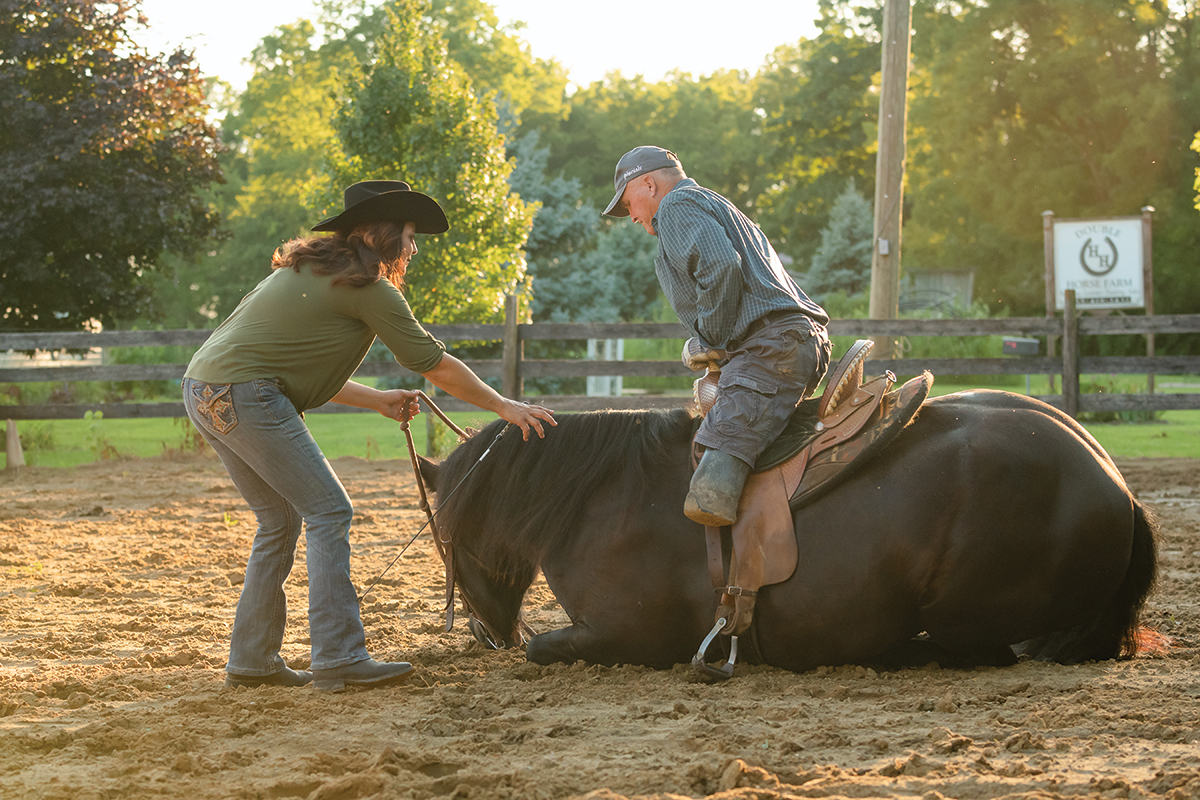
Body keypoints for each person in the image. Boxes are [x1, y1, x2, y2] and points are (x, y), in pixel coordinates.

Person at [183, 180, 556, 692]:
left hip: (205, 390)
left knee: (280, 520)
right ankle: (337, 657)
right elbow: (433, 364)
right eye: (408, 234)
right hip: (247, 394)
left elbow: (288, 364)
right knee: (329, 511)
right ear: (381, 235)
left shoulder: (310, 271)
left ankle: (253, 661)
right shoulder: (369, 289)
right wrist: (504, 406)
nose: (414, 247)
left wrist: (377, 399)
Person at [603, 146, 831, 528]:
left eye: (629, 203)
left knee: (709, 490)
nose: (631, 216)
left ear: (648, 183)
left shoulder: (676, 205)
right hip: (790, 342)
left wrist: (709, 338)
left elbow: (721, 267)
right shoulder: (714, 203)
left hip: (770, 348)